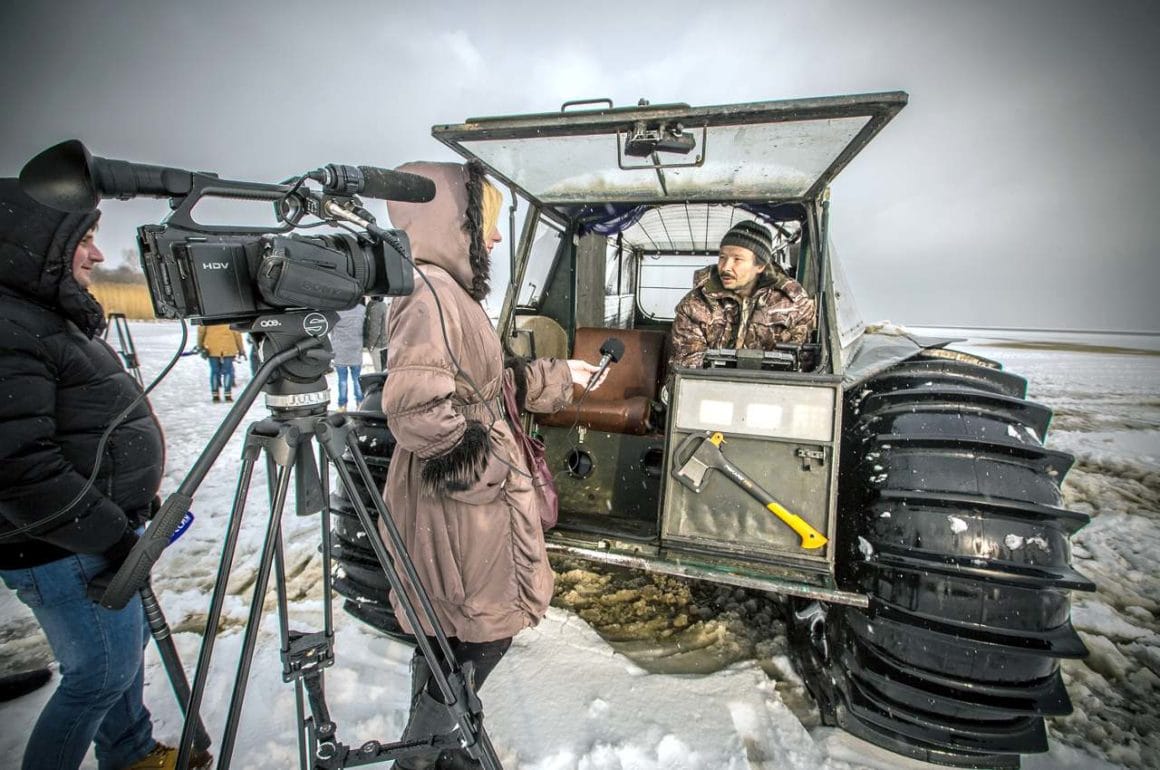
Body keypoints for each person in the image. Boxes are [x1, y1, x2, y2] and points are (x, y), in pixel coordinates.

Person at [381, 160, 605, 770]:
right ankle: (420, 757)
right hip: (459, 500)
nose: (497, 236)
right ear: (452, 220)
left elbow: (484, 386)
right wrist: (491, 472)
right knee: (482, 631)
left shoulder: (445, 291)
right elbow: (417, 409)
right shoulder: (428, 294)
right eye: (487, 221)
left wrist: (558, 374)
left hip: (461, 498)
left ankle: (443, 749)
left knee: (451, 632)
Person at [0, 179, 209, 769]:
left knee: (122, 650)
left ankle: (130, 753)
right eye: (83, 240)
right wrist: (111, 532)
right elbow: (19, 467)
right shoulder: (12, 328)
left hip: (90, 534)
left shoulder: (39, 318)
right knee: (100, 673)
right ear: (36, 244)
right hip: (61, 545)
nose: (95, 254)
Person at [668, 219, 816, 373]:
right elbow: (688, 365)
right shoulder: (696, 303)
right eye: (722, 257)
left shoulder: (794, 303)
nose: (725, 267)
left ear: (760, 266)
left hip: (771, 387)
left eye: (737, 259)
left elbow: (800, 365)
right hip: (708, 386)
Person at [331, 301, 367, 411]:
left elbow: (331, 329)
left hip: (340, 350)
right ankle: (360, 403)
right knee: (357, 379)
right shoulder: (362, 309)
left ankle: (342, 405)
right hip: (356, 348)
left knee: (342, 380)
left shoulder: (336, 311)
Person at [196, 322, 245, 402]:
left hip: (212, 346)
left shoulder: (208, 317)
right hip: (229, 346)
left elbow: (201, 331)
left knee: (214, 371)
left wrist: (200, 345)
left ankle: (215, 395)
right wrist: (241, 349)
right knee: (228, 371)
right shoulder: (230, 317)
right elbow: (237, 333)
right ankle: (227, 394)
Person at [364, 296, 391, 373]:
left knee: (379, 371)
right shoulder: (384, 306)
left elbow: (375, 329)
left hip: (378, 345)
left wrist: (371, 345)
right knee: (384, 369)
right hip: (385, 342)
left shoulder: (376, 308)